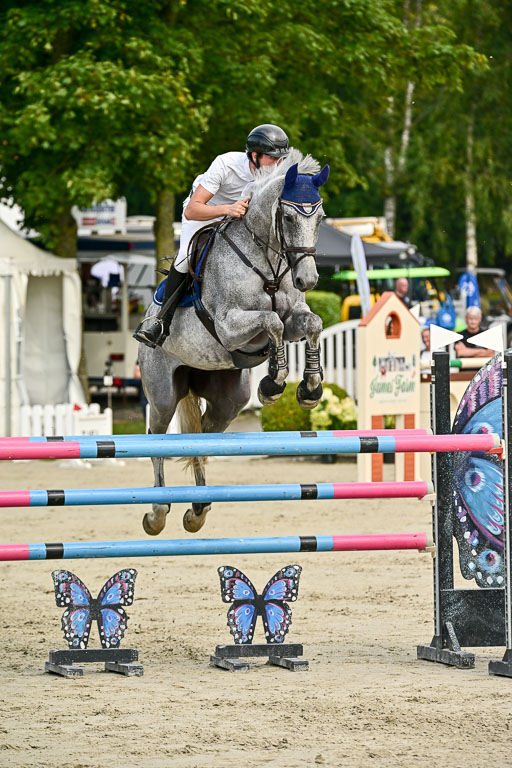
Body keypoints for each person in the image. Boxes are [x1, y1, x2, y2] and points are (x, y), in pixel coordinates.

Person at [134, 123, 290, 348]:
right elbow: (192, 210)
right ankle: (160, 323)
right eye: (272, 158)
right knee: (185, 257)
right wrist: (228, 209)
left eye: (281, 159)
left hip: (239, 218)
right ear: (254, 156)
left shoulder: (275, 173)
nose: (277, 164)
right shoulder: (225, 164)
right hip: (204, 214)